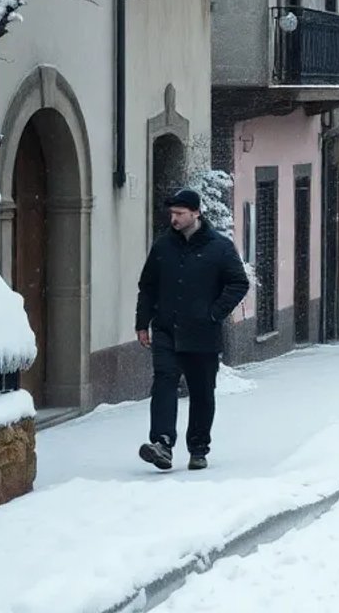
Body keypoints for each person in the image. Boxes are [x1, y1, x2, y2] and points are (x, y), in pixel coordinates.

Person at [135, 189, 250, 472]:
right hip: (167, 329)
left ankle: (198, 448)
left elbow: (239, 283)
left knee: (201, 392)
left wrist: (213, 312)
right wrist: (142, 322)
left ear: (196, 213)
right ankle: (162, 443)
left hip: (202, 334)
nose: (173, 219)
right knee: (164, 381)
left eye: (179, 214)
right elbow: (147, 286)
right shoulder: (163, 247)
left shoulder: (219, 247)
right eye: (171, 214)